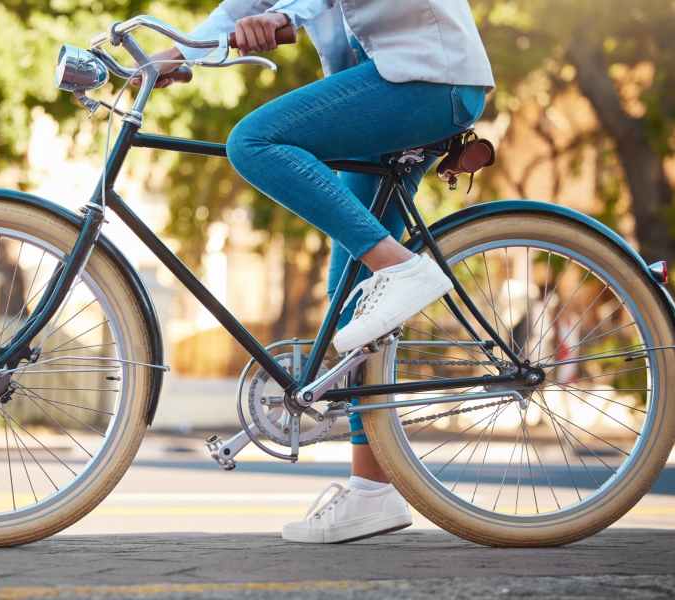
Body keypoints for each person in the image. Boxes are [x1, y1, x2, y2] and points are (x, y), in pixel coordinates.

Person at [146, 0, 495, 543]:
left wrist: (286, 20)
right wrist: (166, 55)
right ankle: (372, 493)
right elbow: (242, 8)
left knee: (254, 141)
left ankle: (402, 269)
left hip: (425, 77)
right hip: (399, 82)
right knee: (351, 295)